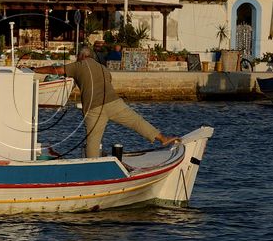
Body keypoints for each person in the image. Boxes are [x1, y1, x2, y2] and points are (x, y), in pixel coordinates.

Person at [34, 45, 179, 158]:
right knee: (136, 121)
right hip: (113, 102)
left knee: (93, 140)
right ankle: (162, 138)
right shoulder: (103, 68)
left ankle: (92, 167)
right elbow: (109, 80)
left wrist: (35, 69)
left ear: (81, 56)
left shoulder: (79, 65)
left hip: (94, 108)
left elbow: (56, 70)